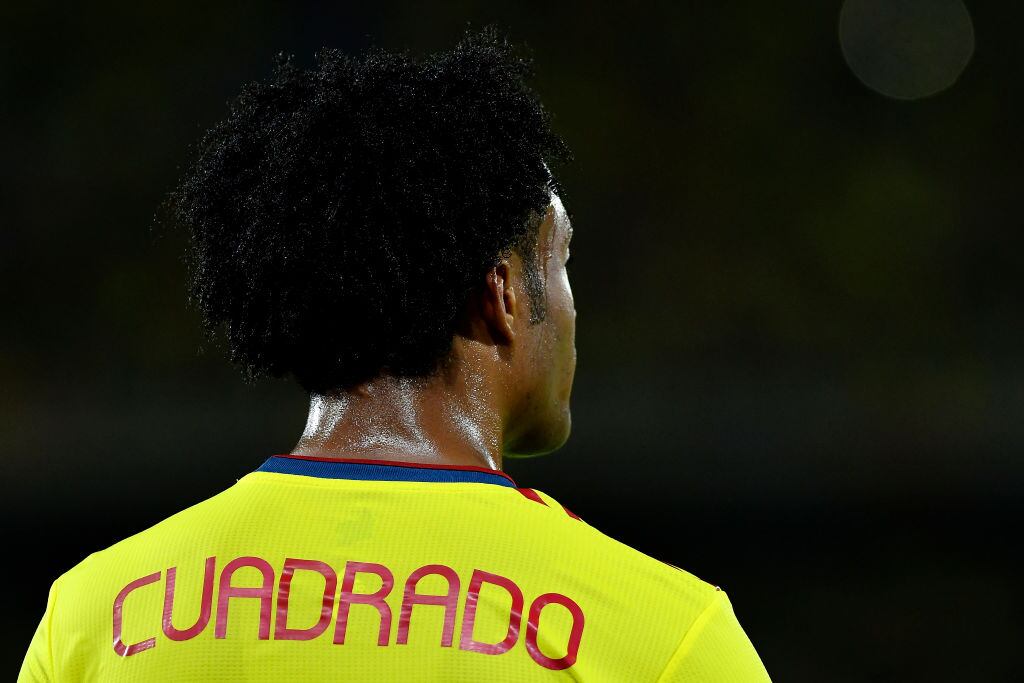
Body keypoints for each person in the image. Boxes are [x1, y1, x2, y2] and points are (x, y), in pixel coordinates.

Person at [19, 26, 770, 682]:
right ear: (503, 293)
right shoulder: (661, 634)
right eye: (561, 260)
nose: (573, 307)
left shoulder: (95, 617)